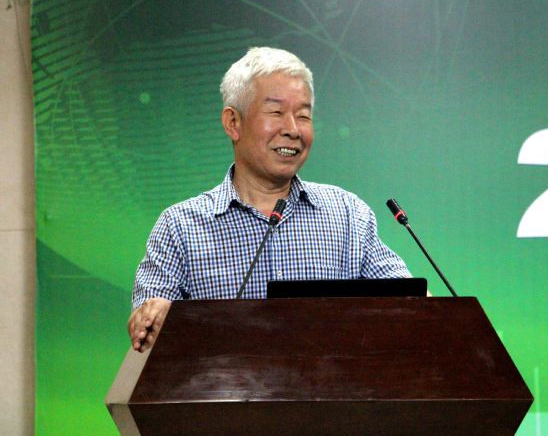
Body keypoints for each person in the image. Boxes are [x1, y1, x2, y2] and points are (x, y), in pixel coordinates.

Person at [128, 47, 411, 352]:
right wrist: (156, 314)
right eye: (276, 112)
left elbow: (410, 304)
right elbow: (147, 323)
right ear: (233, 123)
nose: (292, 129)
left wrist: (434, 310)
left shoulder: (348, 215)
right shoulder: (180, 226)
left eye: (303, 116)